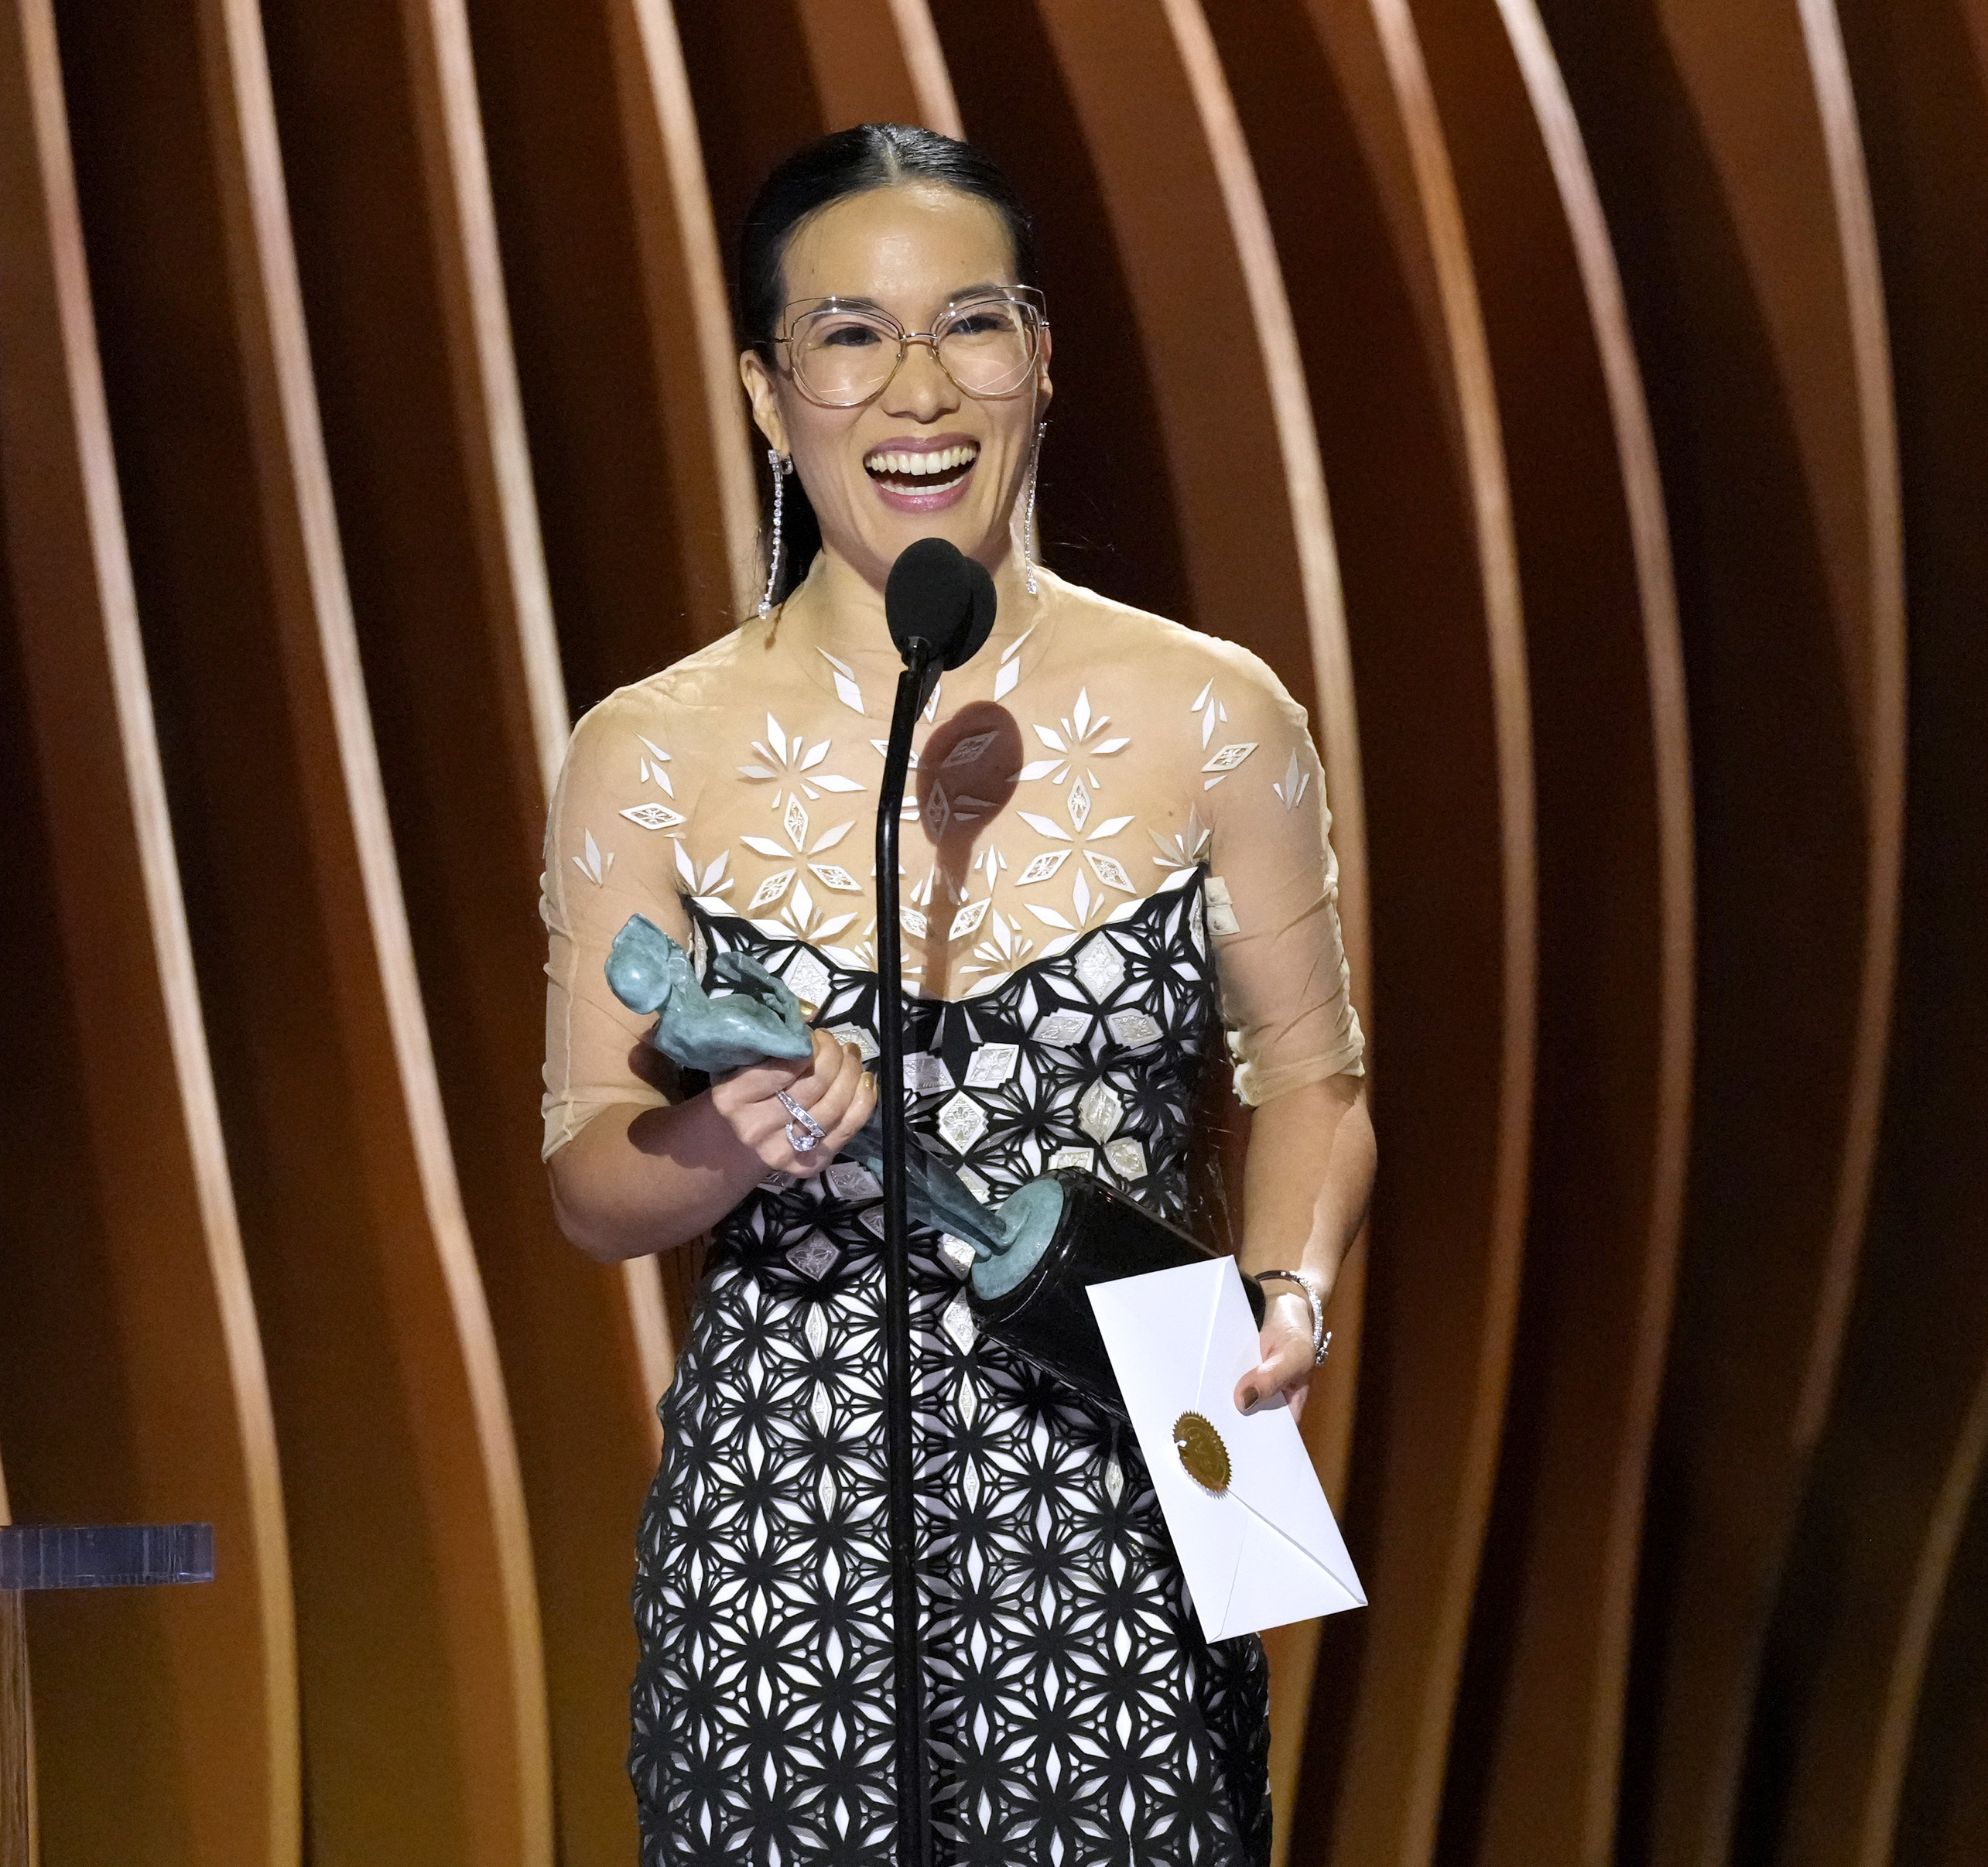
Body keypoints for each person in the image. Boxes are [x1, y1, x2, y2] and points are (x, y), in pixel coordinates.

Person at [539, 122, 1377, 1865]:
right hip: (786, 1523)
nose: (916, 387)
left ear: (1041, 357)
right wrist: (725, 1133)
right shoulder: (649, 747)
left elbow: (1311, 1079)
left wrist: (1285, 1292)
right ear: (771, 395)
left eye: (969, 322)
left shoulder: (1216, 712)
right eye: (848, 335)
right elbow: (587, 1184)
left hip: (1136, 1478)